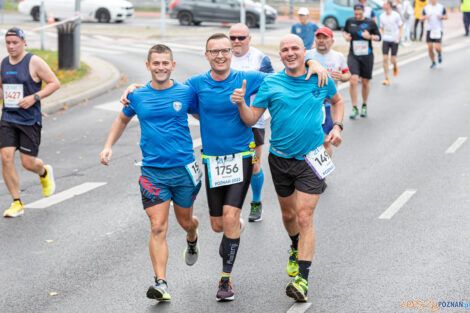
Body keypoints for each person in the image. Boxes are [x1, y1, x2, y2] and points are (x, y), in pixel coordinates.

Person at [120, 34, 327, 302]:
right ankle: (230, 226)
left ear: (232, 53)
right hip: (212, 161)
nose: (220, 56)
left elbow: (287, 74)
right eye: (214, 51)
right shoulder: (195, 84)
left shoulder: (249, 77)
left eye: (225, 51)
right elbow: (165, 87)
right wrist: (135, 89)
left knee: (229, 218)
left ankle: (225, 280)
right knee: (217, 225)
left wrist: (313, 62)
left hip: (242, 155)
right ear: (206, 55)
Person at [233, 34, 344, 302]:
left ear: (304, 51)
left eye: (295, 48)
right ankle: (295, 246)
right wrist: (240, 104)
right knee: (288, 216)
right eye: (285, 50)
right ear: (279, 55)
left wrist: (338, 127)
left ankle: (302, 280)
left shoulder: (320, 78)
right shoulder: (271, 83)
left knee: (305, 216)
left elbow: (337, 101)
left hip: (313, 157)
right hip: (280, 159)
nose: (290, 53)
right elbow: (251, 119)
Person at [100, 44, 201, 302]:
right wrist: (108, 146)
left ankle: (192, 235)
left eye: (165, 63)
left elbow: (206, 116)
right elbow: (122, 119)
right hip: (152, 173)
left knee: (185, 222)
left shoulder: (186, 92)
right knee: (157, 226)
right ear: (148, 66)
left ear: (173, 65)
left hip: (183, 171)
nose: (161, 67)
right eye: (156, 63)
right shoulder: (137, 96)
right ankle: (161, 283)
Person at [1, 27, 59, 218]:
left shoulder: (33, 61)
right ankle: (17, 202)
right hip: (8, 117)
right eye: (8, 43)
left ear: (24, 42)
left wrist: (34, 97)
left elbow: (54, 83)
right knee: (6, 157)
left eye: (15, 42)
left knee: (27, 163)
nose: (11, 46)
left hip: (29, 119)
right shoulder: (3, 63)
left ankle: (43, 172)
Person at [229, 23, 274, 222]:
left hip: (253, 121)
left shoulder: (259, 58)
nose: (236, 41)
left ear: (249, 38)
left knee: (254, 165)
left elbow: (273, 84)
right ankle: (232, 207)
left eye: (241, 37)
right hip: (227, 122)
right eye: (233, 38)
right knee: (231, 166)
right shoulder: (223, 56)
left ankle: (256, 202)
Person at [306, 27, 350, 157]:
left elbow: (348, 74)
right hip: (310, 104)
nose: (321, 40)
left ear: (332, 41)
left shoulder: (338, 56)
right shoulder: (307, 55)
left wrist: (341, 77)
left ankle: (321, 174)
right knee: (308, 141)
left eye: (325, 38)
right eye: (318, 37)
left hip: (329, 105)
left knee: (325, 142)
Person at [343, 3, 381, 119]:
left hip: (367, 56)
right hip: (353, 54)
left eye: (360, 13)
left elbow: (379, 37)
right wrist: (346, 36)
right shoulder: (350, 21)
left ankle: (364, 104)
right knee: (353, 80)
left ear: (364, 11)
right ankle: (354, 107)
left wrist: (370, 37)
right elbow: (344, 31)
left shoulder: (370, 22)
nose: (358, 15)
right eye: (356, 13)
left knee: (365, 82)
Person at [380, 0, 403, 85]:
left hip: (394, 39)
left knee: (392, 59)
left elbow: (401, 27)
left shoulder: (396, 15)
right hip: (386, 39)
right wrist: (381, 34)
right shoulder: (382, 16)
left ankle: (395, 65)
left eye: (384, 4)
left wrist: (399, 38)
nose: (383, 6)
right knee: (385, 58)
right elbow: (381, 27)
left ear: (389, 5)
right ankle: (386, 78)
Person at [421, 0, 447, 68]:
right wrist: (425, 17)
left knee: (437, 48)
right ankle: (433, 62)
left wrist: (441, 17)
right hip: (429, 30)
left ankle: (439, 53)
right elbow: (421, 18)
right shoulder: (426, 8)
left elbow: (446, 16)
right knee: (430, 47)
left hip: (438, 30)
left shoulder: (441, 7)